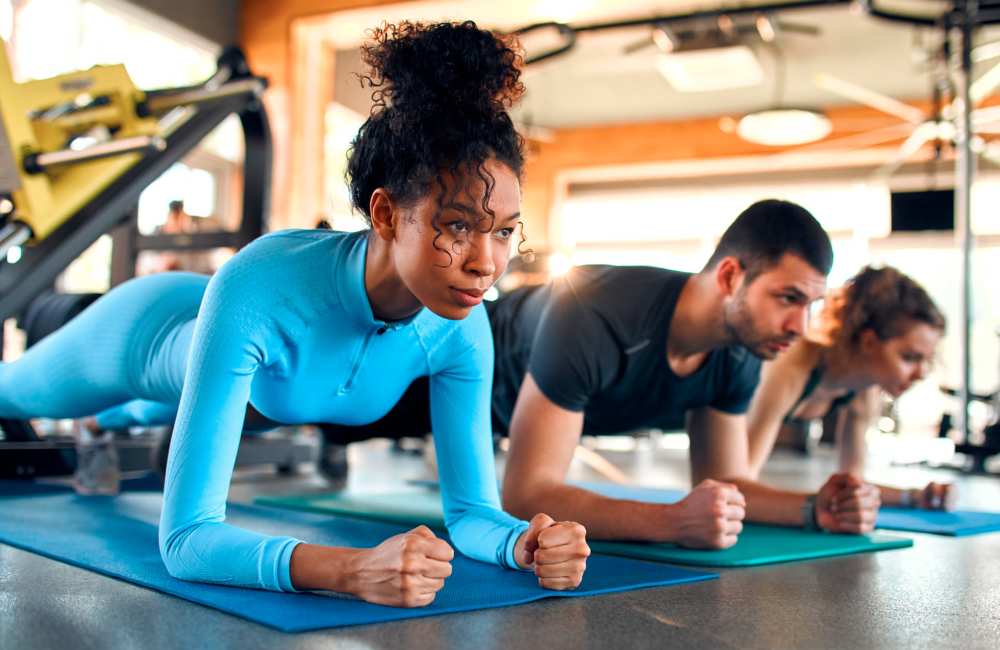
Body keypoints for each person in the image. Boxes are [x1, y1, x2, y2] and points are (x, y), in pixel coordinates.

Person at [0, 21, 588, 607]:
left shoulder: (461, 330)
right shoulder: (263, 285)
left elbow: (471, 514)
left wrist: (523, 543)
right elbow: (185, 539)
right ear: (384, 214)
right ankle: (95, 418)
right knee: (12, 393)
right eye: (458, 226)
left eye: (504, 232)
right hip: (145, 332)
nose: (487, 263)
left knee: (209, 407)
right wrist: (352, 571)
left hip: (257, 386)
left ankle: (101, 428)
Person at [315, 200, 857, 546]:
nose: (799, 325)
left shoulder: (739, 352)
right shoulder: (599, 311)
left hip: (493, 415)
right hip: (433, 368)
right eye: (788, 298)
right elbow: (527, 495)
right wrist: (670, 522)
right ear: (732, 276)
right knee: (315, 409)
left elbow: (726, 483)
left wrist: (815, 509)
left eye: (810, 304)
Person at [741, 265, 952, 517]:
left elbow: (853, 485)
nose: (921, 373)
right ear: (869, 342)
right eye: (909, 358)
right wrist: (817, 509)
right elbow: (739, 486)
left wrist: (916, 496)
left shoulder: (863, 390)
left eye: (926, 361)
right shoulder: (791, 367)